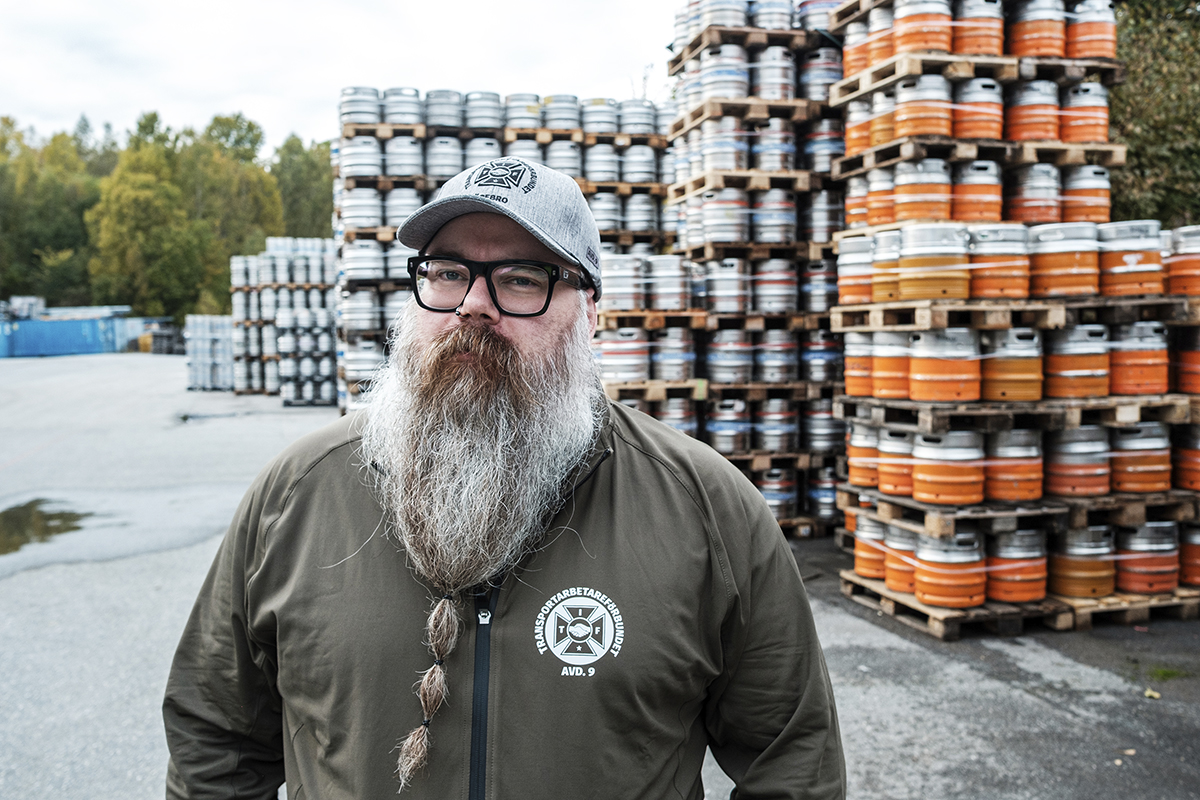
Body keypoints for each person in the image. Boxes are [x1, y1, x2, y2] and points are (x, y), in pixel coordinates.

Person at [163, 157, 845, 799]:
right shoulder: (298, 495)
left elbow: (794, 760)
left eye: (521, 278)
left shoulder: (706, 510)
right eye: (448, 272)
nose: (472, 305)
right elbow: (215, 740)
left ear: (589, 313)